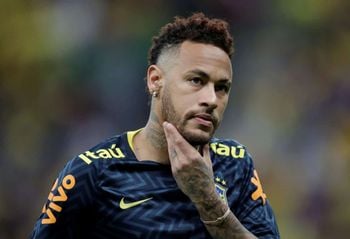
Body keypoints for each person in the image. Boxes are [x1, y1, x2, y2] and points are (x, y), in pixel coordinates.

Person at [31, 12, 279, 239]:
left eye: (221, 88)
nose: (211, 99)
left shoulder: (236, 165)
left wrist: (208, 200)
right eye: (196, 80)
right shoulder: (93, 173)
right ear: (155, 80)